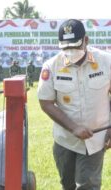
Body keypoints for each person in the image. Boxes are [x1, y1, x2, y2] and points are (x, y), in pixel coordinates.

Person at [37, 19, 111, 190]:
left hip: (95, 140)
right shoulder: (51, 66)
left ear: (86, 40)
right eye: (66, 47)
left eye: (75, 46)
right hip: (65, 140)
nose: (70, 51)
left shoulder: (106, 62)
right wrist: (73, 128)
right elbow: (46, 102)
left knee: (87, 185)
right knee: (67, 185)